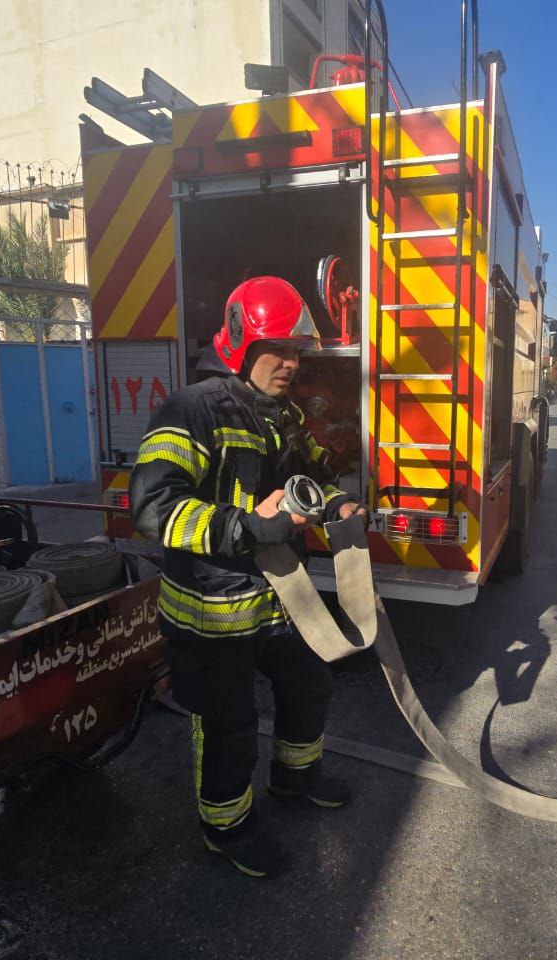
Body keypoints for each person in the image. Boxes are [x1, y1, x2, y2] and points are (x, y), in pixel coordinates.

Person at [130, 276, 364, 879]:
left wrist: (336, 502)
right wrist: (248, 526)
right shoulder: (191, 410)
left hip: (278, 597)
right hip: (211, 610)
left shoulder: (281, 413)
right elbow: (153, 508)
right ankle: (227, 826)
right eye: (278, 349)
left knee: (309, 683)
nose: (292, 363)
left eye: (296, 351)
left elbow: (311, 474)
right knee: (228, 724)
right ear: (241, 342)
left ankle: (295, 777)